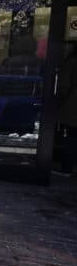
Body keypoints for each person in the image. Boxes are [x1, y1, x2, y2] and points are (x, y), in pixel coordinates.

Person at [56, 45, 77, 175]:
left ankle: (67, 168)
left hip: (73, 103)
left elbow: (64, 86)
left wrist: (58, 102)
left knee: (71, 137)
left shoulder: (71, 62)